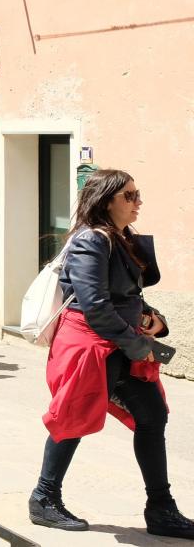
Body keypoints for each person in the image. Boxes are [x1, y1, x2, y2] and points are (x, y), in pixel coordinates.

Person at [29, 170, 194, 539]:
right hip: (90, 344)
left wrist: (156, 321)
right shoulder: (91, 240)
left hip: (119, 342)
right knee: (72, 417)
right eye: (130, 196)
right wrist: (139, 345)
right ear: (107, 201)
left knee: (152, 416)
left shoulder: (120, 239)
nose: (138, 202)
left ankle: (161, 509)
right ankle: (43, 498)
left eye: (138, 194)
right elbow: (95, 306)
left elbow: (127, 295)